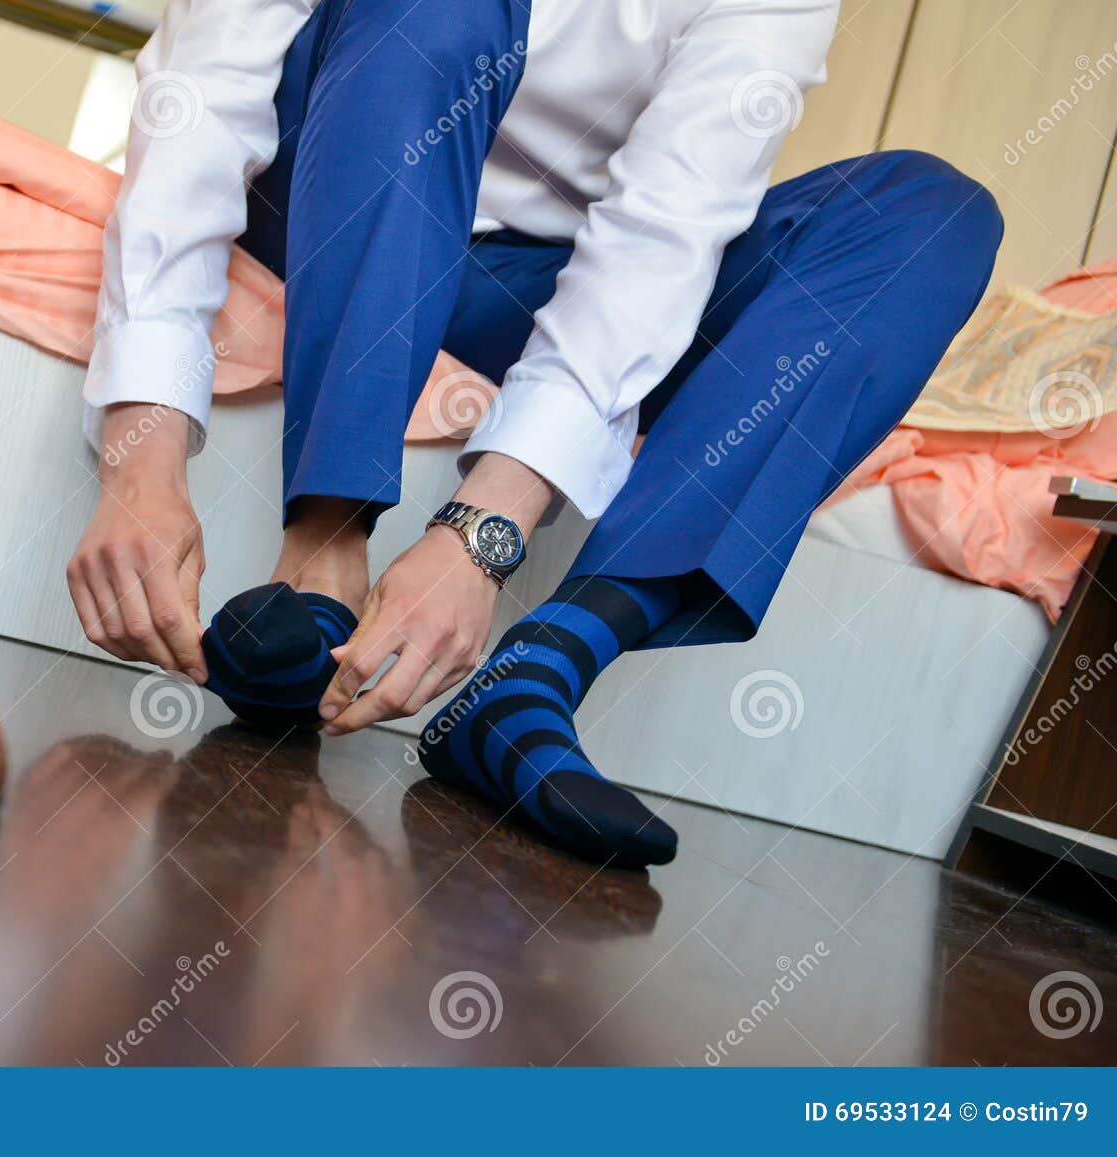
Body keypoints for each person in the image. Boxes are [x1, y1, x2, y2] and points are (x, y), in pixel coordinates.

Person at [66, 0, 1003, 866]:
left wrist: (481, 535)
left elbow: (665, 231)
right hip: (330, 186)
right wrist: (140, 459)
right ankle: (319, 558)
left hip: (531, 277)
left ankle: (538, 670)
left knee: (934, 217)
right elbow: (204, 92)